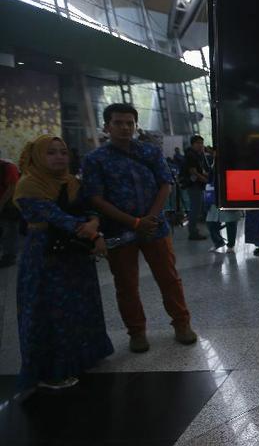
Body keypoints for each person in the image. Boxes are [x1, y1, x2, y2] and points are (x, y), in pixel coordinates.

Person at [82, 103, 197, 353]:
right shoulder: (95, 159)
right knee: (126, 284)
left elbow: (165, 184)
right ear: (107, 126)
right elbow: (95, 198)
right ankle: (136, 332)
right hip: (118, 231)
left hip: (155, 228)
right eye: (118, 123)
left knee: (169, 278)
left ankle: (181, 324)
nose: (124, 127)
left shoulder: (150, 152)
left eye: (129, 123)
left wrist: (150, 219)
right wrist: (134, 222)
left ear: (136, 126)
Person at [13, 135, 113, 390]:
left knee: (80, 305)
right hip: (46, 257)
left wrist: (94, 222)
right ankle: (51, 371)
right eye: (51, 153)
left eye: (63, 152)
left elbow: (88, 209)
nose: (59, 157)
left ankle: (83, 357)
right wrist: (94, 234)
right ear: (37, 157)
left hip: (74, 255)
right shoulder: (29, 185)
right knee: (51, 311)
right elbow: (58, 218)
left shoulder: (72, 183)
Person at [182, 135, 209, 240]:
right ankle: (192, 232)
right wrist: (204, 179)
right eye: (198, 143)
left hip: (197, 185)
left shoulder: (197, 155)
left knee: (197, 207)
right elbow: (193, 171)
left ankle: (194, 230)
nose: (200, 146)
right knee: (195, 209)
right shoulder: (191, 155)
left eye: (201, 143)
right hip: (193, 185)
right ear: (193, 144)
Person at [0, 152, 21, 268]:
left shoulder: (8, 167)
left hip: (10, 206)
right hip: (5, 204)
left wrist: (1, 204)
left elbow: (12, 187)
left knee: (10, 231)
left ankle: (9, 256)